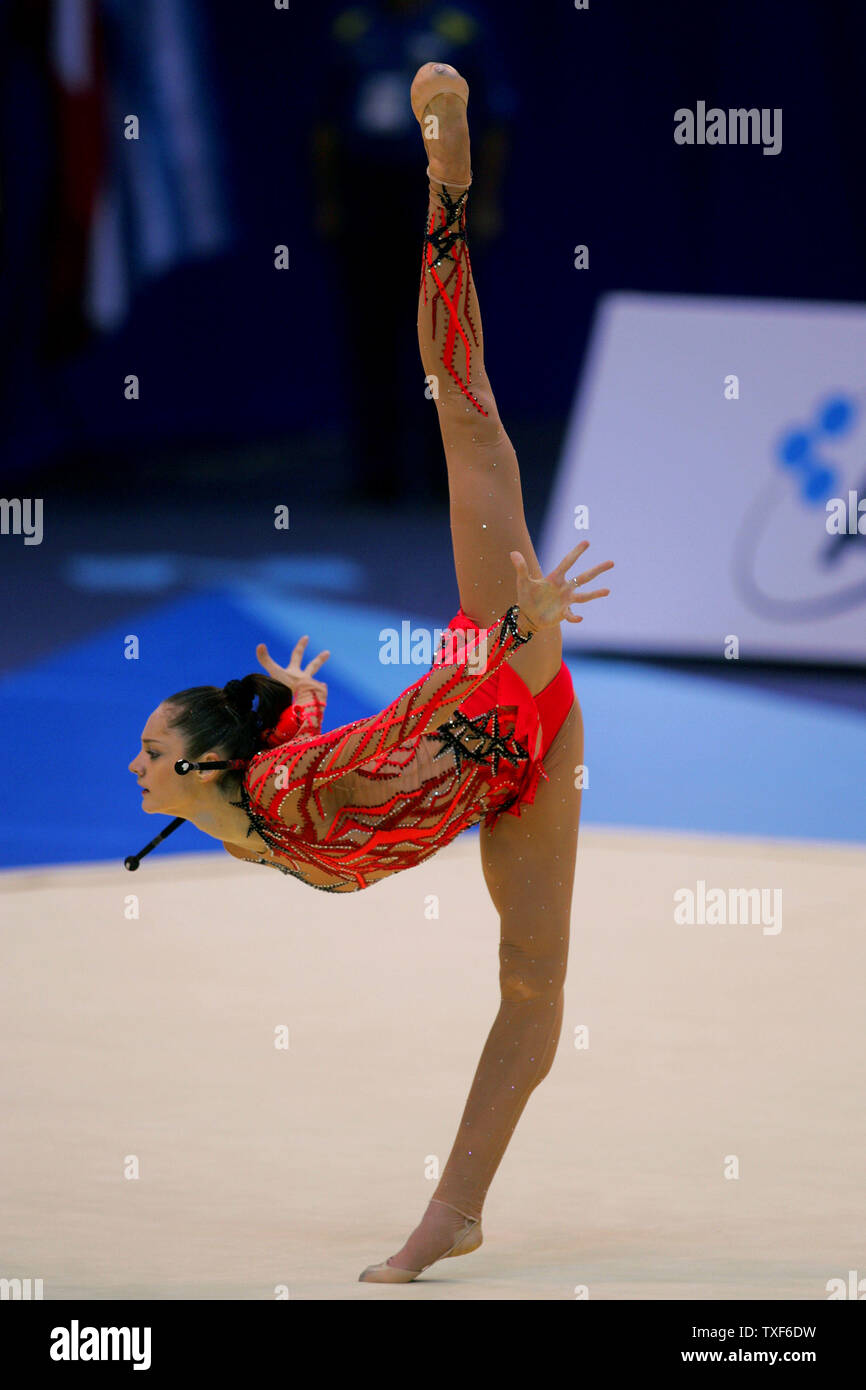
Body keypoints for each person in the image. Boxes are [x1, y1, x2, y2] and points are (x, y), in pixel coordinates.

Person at [127, 62, 614, 1282]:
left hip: (495, 693)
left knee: (466, 414)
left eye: (144, 752)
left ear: (201, 766)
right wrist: (292, 697)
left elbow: (433, 722)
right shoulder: (246, 807)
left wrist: (521, 636)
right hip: (515, 761)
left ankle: (443, 192)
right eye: (142, 752)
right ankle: (464, 1208)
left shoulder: (286, 800)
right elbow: (303, 738)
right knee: (532, 979)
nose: (133, 767)